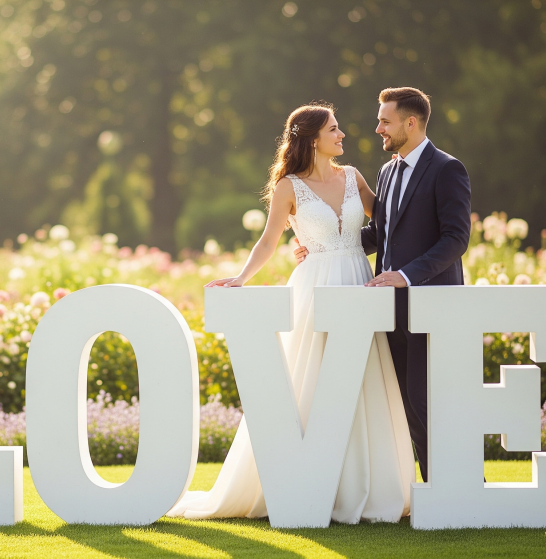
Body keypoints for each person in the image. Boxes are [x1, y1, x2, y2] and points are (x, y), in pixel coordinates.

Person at [167, 102, 415, 523]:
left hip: (357, 282)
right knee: (313, 379)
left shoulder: (353, 177)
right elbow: (267, 241)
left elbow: (390, 225)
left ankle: (363, 487)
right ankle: (299, 481)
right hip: (314, 287)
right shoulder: (288, 187)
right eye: (334, 129)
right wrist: (241, 278)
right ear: (311, 138)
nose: (342, 135)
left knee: (360, 382)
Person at [294, 87, 472, 483]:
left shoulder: (447, 169)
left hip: (431, 306)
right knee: (404, 404)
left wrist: (407, 276)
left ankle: (456, 489)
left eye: (385, 121)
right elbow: (382, 232)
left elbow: (456, 238)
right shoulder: (388, 171)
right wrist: (323, 248)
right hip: (389, 311)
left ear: (411, 122)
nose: (378, 128)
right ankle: (437, 489)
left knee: (429, 402)